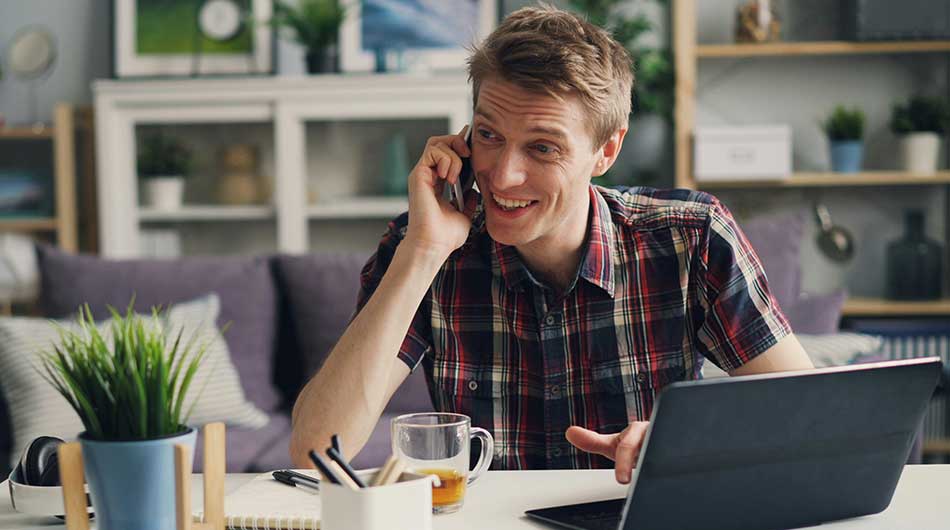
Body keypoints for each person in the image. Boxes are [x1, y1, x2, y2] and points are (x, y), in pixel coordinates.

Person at [290, 4, 813, 484]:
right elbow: (317, 447)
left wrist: (688, 445)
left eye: (542, 147)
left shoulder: (691, 240)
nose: (503, 175)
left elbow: (809, 415)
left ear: (606, 151)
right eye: (489, 136)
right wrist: (424, 251)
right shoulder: (425, 246)